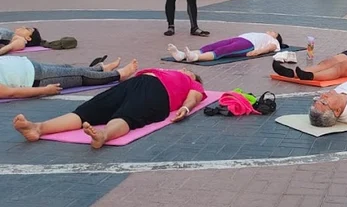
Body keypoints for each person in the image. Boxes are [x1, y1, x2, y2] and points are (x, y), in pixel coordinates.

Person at [13, 68, 205, 149]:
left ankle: (103, 135)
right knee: (88, 110)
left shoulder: (191, 83)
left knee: (128, 115)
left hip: (159, 93)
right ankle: (38, 128)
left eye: (190, 72)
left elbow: (194, 97)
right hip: (135, 83)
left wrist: (186, 109)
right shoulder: (165, 71)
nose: (185, 70)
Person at [0, 56, 138, 99]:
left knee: (69, 68)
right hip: (35, 78)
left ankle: (100, 69)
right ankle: (118, 75)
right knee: (80, 76)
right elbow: (10, 92)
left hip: (31, 66)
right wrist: (44, 90)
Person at [168, 30, 283, 63]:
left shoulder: (275, 42)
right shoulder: (262, 34)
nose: (271, 31)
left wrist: (256, 52)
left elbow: (269, 48)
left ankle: (195, 57)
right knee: (212, 45)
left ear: (277, 37)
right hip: (240, 38)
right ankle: (182, 55)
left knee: (223, 50)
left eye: (274, 32)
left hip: (248, 45)